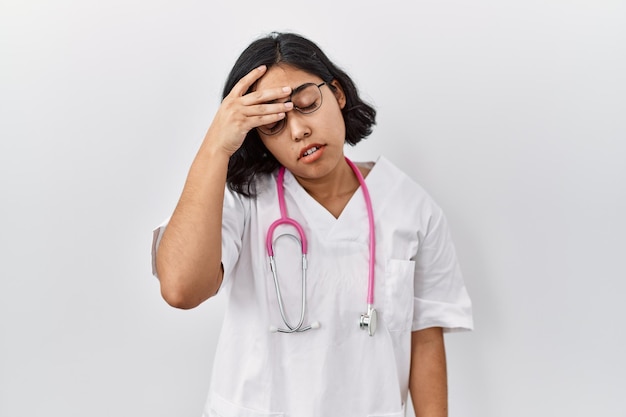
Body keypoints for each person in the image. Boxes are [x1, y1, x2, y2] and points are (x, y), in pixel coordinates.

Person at [151, 31, 473, 417]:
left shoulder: (410, 206)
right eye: (273, 124)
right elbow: (180, 289)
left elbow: (424, 336)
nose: (298, 130)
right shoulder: (241, 200)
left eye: (306, 103)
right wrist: (216, 145)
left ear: (336, 93)